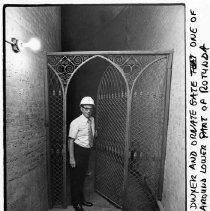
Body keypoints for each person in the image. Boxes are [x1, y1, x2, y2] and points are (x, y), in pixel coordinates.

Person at [68, 96, 95, 211]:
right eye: (86, 108)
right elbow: (70, 140)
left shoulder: (92, 120)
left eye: (90, 109)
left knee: (82, 178)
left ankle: (81, 200)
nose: (88, 111)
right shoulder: (76, 122)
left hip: (87, 152)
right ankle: (76, 203)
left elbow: (91, 132)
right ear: (81, 108)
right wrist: (72, 158)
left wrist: (94, 133)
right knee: (76, 180)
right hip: (78, 152)